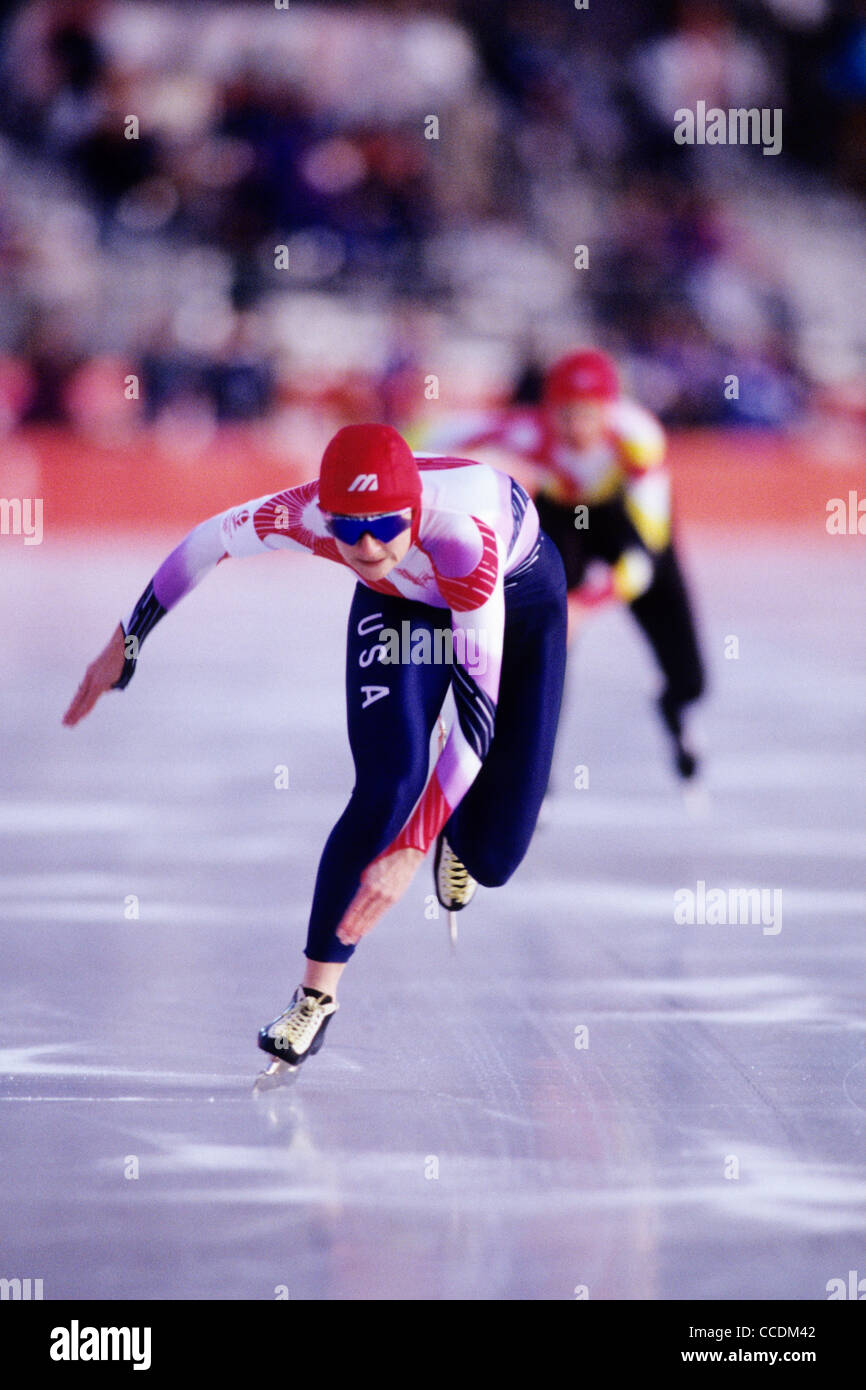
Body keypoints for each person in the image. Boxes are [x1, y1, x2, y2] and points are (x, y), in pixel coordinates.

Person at [63, 424, 567, 1075]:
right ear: (323, 515)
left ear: (414, 512)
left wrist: (415, 847)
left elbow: (477, 715)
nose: (364, 546)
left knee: (494, 857)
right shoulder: (302, 517)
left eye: (386, 525)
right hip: (401, 608)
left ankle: (459, 837)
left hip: (518, 602)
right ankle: (315, 997)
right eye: (347, 527)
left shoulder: (464, 539)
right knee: (389, 784)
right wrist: (127, 643)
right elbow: (205, 543)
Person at [415, 350, 706, 782]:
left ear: (610, 410)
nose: (577, 428)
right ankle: (535, 761)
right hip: (564, 518)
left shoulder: (639, 439)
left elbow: (644, 559)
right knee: (546, 644)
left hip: (627, 520)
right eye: (565, 414)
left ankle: (679, 702)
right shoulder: (524, 431)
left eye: (589, 414)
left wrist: (586, 605)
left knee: (685, 656)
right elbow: (428, 434)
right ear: (547, 411)